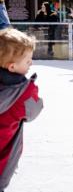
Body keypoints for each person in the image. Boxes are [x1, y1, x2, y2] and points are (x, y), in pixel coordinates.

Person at [0, 29, 44, 190]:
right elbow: (33, 111)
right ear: (12, 67)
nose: (30, 63)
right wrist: (32, 90)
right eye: (27, 61)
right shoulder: (24, 93)